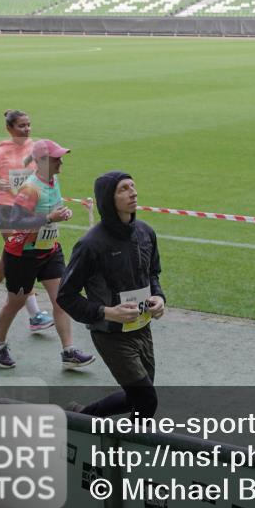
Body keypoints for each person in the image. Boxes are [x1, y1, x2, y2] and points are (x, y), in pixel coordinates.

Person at [58, 171, 165, 418]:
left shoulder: (146, 233)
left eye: (133, 186)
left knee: (137, 397)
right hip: (111, 335)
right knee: (146, 400)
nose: (133, 192)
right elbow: (66, 295)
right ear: (108, 198)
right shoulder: (90, 245)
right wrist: (107, 312)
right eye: (123, 189)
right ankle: (128, 444)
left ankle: (80, 417)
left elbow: (153, 273)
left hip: (142, 328)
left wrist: (159, 298)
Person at [0, 139, 95, 370]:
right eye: (56, 158)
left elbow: (51, 210)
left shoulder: (53, 181)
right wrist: (49, 218)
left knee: (61, 298)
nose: (61, 162)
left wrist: (62, 213)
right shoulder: (30, 188)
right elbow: (16, 221)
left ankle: (68, 352)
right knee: (16, 303)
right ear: (42, 161)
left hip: (49, 249)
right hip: (23, 255)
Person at [0, 110, 54, 331]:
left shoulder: (35, 148)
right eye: (21, 125)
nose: (26, 129)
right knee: (22, 258)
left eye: (28, 124)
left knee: (11, 255)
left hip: (29, 209)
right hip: (7, 209)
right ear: (9, 128)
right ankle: (35, 315)